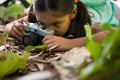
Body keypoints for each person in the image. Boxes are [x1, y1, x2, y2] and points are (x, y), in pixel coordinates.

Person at [4, 0, 108, 51]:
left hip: (109, 11)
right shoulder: (43, 14)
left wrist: (70, 43)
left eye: (56, 24)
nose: (49, 29)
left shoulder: (88, 21)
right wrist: (13, 28)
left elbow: (108, 35)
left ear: (73, 13)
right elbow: (9, 26)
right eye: (41, 24)